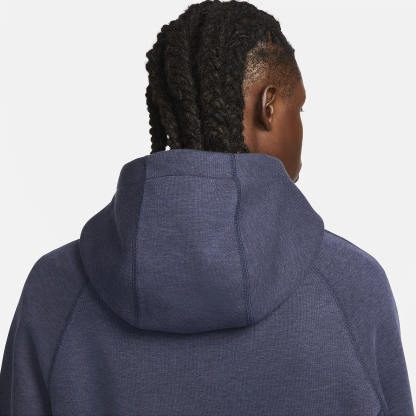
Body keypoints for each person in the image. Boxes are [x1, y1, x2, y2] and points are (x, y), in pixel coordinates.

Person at [0, 0, 414, 414]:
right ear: (268, 107)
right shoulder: (352, 290)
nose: (301, 127)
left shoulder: (55, 295)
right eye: (299, 108)